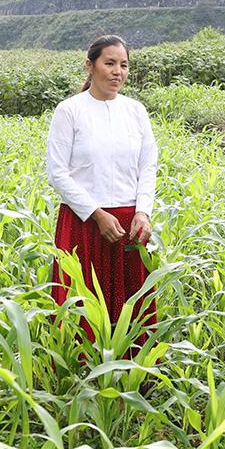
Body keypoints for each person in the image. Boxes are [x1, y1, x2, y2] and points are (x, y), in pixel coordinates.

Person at [46, 35, 159, 343]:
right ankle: (79, 376)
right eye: (109, 63)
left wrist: (143, 213)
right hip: (83, 223)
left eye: (123, 65)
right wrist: (96, 214)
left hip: (129, 226)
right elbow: (57, 173)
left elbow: (147, 167)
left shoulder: (136, 112)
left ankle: (134, 377)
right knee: (82, 302)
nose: (117, 72)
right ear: (90, 66)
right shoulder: (69, 111)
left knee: (130, 306)